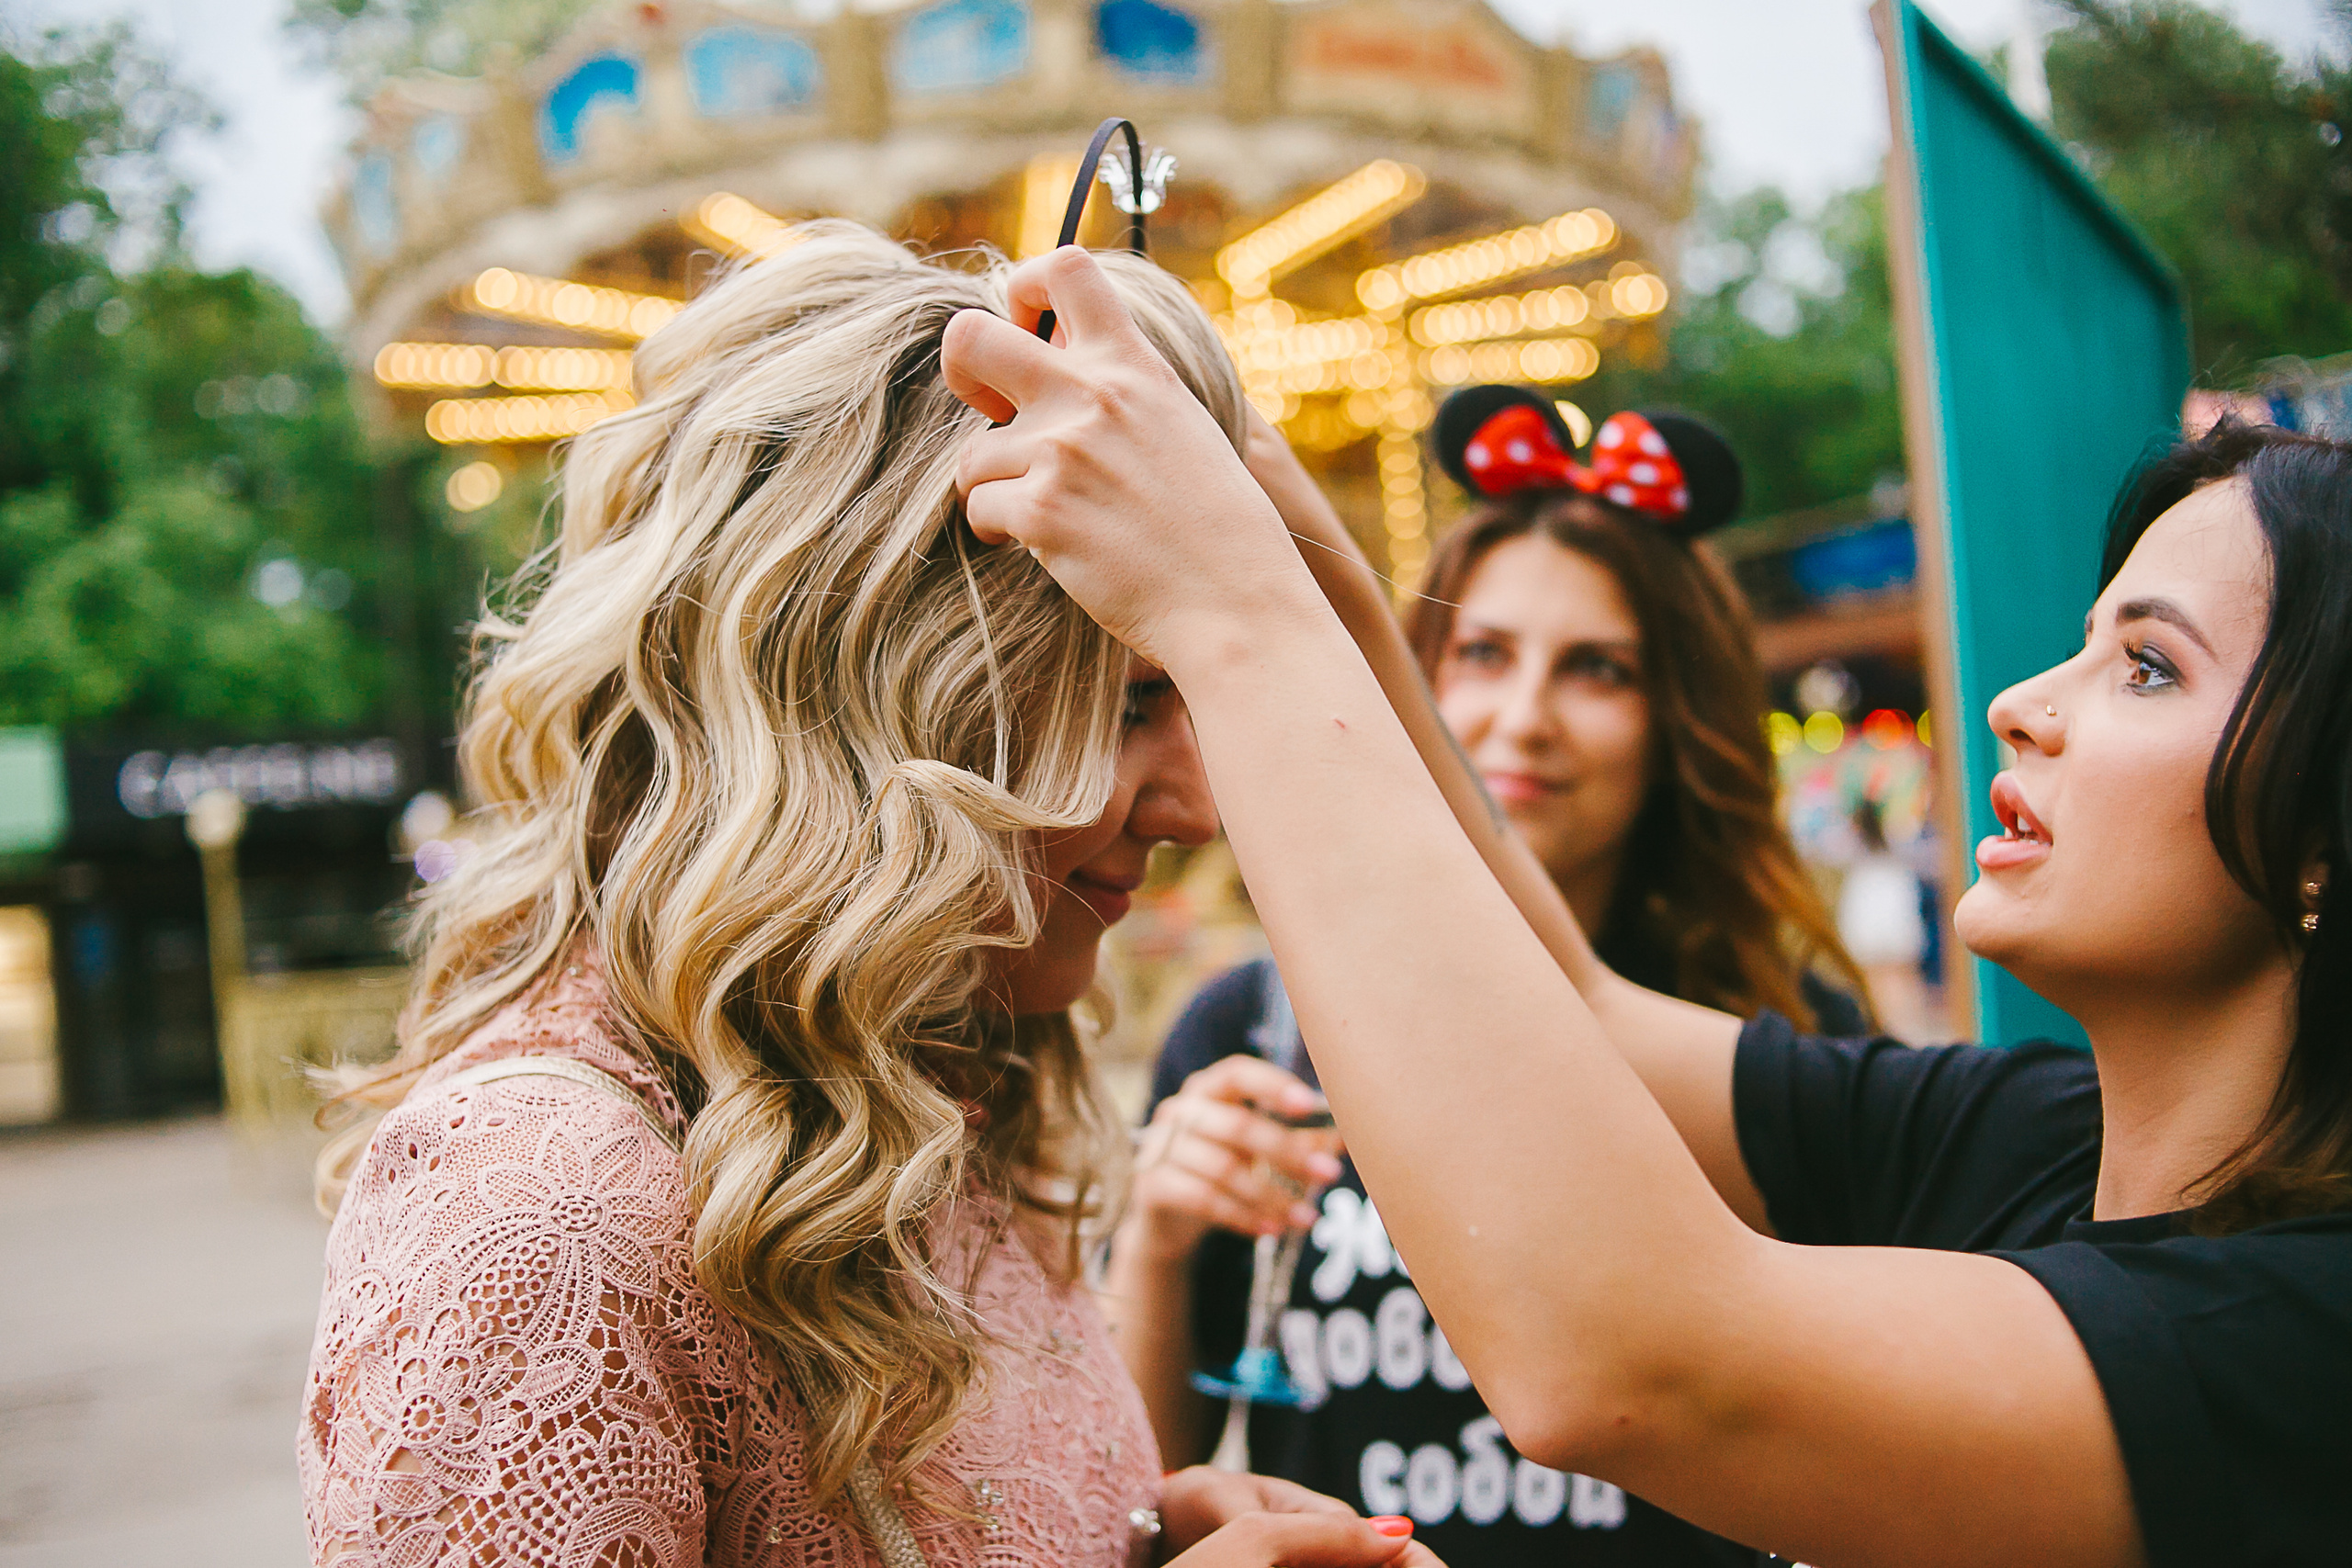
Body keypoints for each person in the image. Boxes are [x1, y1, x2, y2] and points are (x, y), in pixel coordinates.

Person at [940, 244, 2352, 1566]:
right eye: (2084, 644)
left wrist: (1238, 615)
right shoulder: (2030, 1132)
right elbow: (1578, 1006)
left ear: (2323, 837)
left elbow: (1635, 1360)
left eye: (2149, 666)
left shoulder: (2304, 1332)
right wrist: (1317, 570)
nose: (2021, 704)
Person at [298, 226, 1444, 1568]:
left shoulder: (945, 1085)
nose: (1198, 808)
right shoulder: (537, 1221)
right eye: (1130, 704)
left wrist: (1144, 1529)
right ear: (870, 716)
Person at [1105, 392, 1866, 1565]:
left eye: (1597, 669)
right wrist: (1156, 1237)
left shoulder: (1772, 1041)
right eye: (1482, 653)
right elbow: (1140, 1507)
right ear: (1410, 677)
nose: (1522, 718)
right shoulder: (1251, 1027)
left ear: (1676, 719)